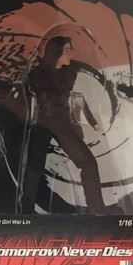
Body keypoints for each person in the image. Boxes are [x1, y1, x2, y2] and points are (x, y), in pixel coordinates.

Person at [20, 36, 106, 214]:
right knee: (34, 169)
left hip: (63, 123)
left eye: (70, 49)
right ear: (56, 53)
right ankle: (25, 212)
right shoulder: (35, 75)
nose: (71, 53)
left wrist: (90, 121)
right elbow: (25, 102)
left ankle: (97, 211)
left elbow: (77, 97)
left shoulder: (70, 70)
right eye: (67, 50)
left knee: (89, 163)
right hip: (42, 124)